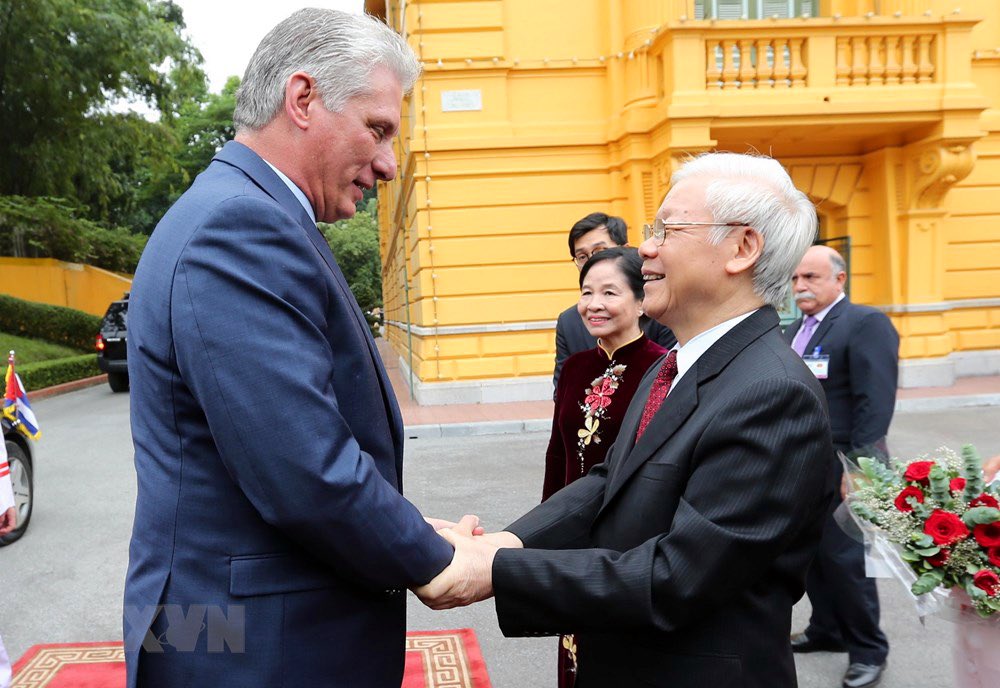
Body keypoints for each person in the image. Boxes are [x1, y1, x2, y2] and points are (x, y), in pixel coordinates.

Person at [123, 10, 464, 687]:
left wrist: (406, 525)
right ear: (303, 99)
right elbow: (306, 470)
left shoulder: (247, 211)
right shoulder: (240, 225)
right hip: (253, 650)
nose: (391, 164)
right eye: (379, 129)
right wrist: (436, 558)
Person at [417, 152, 835, 688]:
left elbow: (676, 578)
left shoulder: (772, 392)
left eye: (668, 228)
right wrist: (503, 543)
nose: (647, 248)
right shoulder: (679, 364)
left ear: (741, 248)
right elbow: (609, 483)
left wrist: (492, 572)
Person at [544, 246, 667, 686]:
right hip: (572, 535)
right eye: (586, 292)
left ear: (641, 300)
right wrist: (546, 536)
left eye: (609, 292)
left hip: (627, 544)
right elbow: (557, 454)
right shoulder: (576, 367)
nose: (593, 304)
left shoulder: (663, 370)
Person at [784, 245, 897, 688]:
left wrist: (863, 470)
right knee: (811, 554)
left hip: (846, 463)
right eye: (795, 279)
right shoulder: (795, 329)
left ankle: (868, 650)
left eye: (811, 277)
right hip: (802, 464)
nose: (800, 287)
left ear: (839, 279)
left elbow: (875, 400)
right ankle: (826, 629)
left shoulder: (864, 323)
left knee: (847, 559)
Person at [554, 213, 675, 392]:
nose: (591, 261)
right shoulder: (569, 322)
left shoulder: (661, 312)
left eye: (600, 251)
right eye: (582, 256)